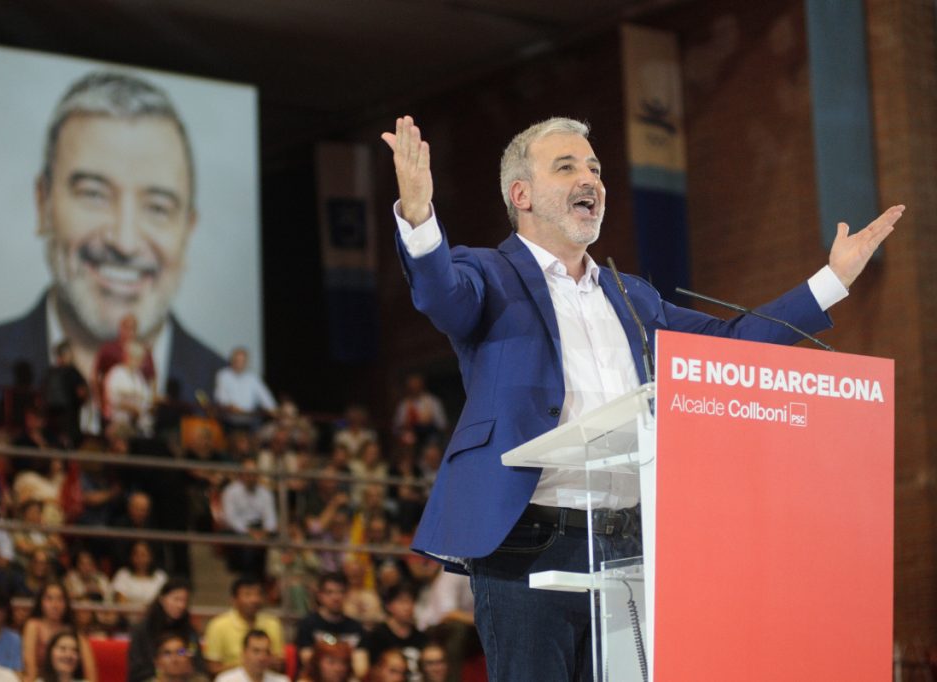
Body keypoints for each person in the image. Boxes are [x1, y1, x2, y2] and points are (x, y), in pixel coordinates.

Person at [382, 114, 903, 681]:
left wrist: (831, 279)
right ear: (521, 194)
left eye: (595, 168)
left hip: (627, 546)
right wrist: (418, 217)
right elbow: (440, 295)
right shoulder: (487, 272)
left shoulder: (634, 297)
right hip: (524, 544)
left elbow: (729, 345)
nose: (591, 179)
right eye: (568, 167)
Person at [0, 71, 225, 424]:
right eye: (94, 195)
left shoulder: (217, 380)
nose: (125, 242)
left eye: (158, 208)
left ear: (188, 230)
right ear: (43, 204)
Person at [127, 579, 205, 682]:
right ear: (162, 599)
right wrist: (165, 671)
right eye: (176, 599)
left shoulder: (189, 631)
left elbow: (197, 663)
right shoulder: (142, 631)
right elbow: (136, 669)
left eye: (184, 601)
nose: (181, 605)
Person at [202, 577, 283, 676]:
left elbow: (279, 664)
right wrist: (248, 664)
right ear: (234, 600)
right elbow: (212, 669)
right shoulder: (218, 625)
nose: (254, 599)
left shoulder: (273, 623)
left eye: (258, 594)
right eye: (248, 594)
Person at [21, 582, 96, 682]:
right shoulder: (33, 626)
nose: (55, 605)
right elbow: (30, 670)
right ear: (41, 602)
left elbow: (91, 673)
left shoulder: (73, 631)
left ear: (66, 603)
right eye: (49, 599)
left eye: (60, 599)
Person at [294, 573, 365, 675]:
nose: (336, 597)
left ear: (347, 595)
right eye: (329, 592)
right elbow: (308, 662)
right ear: (320, 596)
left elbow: (361, 669)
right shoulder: (308, 624)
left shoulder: (356, 628)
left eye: (340, 592)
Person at [221, 458, 277, 580]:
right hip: (238, 529)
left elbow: (271, 518)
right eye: (248, 474)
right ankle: (248, 579)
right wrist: (249, 532)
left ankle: (266, 581)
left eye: (254, 474)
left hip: (260, 528)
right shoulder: (230, 491)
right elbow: (230, 519)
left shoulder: (265, 492)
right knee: (248, 545)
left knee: (274, 539)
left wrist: (265, 531)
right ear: (241, 475)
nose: (251, 477)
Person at [360, 584, 425, 677]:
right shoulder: (376, 636)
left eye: (412, 601)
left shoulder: (421, 637)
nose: (408, 607)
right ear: (389, 605)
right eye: (402, 602)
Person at [213, 347, 277, 432]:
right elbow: (221, 397)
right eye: (237, 360)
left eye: (242, 361)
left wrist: (273, 409)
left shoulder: (253, 378)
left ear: (246, 362)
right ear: (232, 361)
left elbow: (265, 396)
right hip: (228, 422)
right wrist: (232, 407)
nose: (239, 363)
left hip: (248, 423)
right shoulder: (223, 375)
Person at [42, 341, 88, 447]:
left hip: (51, 423)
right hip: (69, 420)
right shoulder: (73, 372)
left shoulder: (49, 373)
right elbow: (81, 393)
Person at [212, 630, 287, 682]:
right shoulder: (225, 680)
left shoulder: (282, 680)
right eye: (256, 651)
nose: (262, 657)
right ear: (244, 653)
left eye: (266, 652)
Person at [111, 541, 167, 606]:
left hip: (154, 615)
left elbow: (163, 602)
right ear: (130, 556)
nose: (139, 558)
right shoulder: (123, 574)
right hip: (128, 615)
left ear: (151, 557)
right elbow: (121, 603)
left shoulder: (160, 576)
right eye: (136, 554)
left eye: (143, 554)